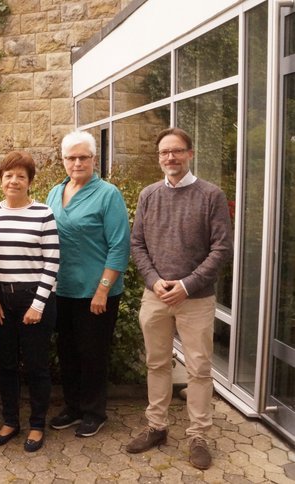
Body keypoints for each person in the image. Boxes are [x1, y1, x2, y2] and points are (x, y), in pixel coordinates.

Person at [127, 127, 233, 470]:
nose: (170, 157)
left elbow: (221, 248)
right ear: (159, 158)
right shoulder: (149, 195)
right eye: (164, 153)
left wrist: (187, 285)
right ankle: (157, 426)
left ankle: (199, 435)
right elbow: (137, 243)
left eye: (176, 151)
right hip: (155, 295)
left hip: (196, 298)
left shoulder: (211, 195)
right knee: (157, 363)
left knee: (199, 368)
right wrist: (155, 281)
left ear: (190, 153)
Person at [45, 130, 130, 438]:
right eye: (71, 157)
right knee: (67, 352)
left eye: (83, 157)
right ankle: (73, 407)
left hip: (96, 292)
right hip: (62, 289)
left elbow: (119, 245)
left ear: (94, 159)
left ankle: (94, 411)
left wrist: (103, 289)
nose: (77, 162)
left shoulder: (108, 194)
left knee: (93, 354)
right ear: (63, 160)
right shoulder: (56, 192)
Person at [0, 151, 59, 453]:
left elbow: (52, 261)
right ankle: (10, 421)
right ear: (1, 180)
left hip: (34, 299)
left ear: (29, 181)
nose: (14, 181)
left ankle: (37, 424)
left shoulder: (43, 213)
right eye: (8, 175)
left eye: (21, 176)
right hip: (0, 299)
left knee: (37, 366)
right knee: (7, 365)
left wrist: (38, 305)